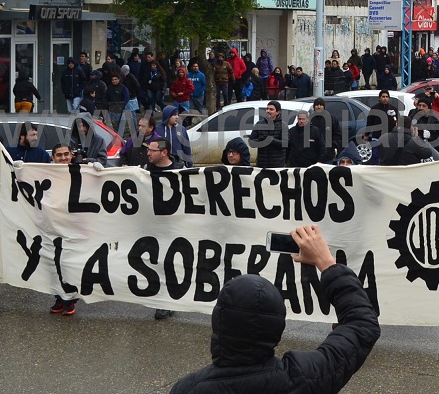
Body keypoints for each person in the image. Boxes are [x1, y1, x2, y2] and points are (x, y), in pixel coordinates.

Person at [168, 224, 380, 392]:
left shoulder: (189, 388)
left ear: (219, 320)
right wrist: (326, 262)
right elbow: (362, 324)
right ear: (277, 325)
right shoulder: (306, 378)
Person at [145, 137, 184, 320]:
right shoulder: (145, 171)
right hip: (152, 224)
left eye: (152, 150)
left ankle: (166, 302)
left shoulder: (181, 172)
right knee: (155, 263)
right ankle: (162, 300)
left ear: (164, 152)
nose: (148, 153)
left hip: (173, 226)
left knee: (169, 264)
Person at [48, 143, 78, 315]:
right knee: (54, 264)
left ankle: (71, 299)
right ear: (53, 158)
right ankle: (60, 297)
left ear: (71, 155)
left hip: (74, 227)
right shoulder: (44, 174)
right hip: (53, 227)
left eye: (66, 154)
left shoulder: (82, 173)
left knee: (70, 264)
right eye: (59, 155)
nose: (63, 158)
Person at [249, 100, 288, 169]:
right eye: (267, 109)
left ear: (278, 112)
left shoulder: (283, 125)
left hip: (277, 165)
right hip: (262, 164)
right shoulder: (259, 124)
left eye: (271, 109)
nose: (268, 111)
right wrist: (261, 140)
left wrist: (270, 140)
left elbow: (285, 143)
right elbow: (251, 142)